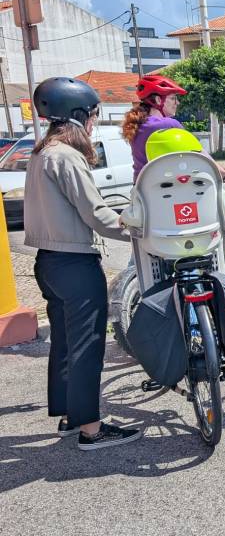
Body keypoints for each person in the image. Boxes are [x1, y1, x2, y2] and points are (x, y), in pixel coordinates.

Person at [24, 77, 140, 450]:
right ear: (78, 116)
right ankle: (91, 429)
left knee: (65, 342)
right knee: (88, 345)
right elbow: (97, 215)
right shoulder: (68, 157)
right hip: (75, 263)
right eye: (91, 115)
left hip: (48, 262)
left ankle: (69, 416)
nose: (93, 122)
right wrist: (140, 229)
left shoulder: (42, 153)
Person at [121, 74, 187, 181]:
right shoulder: (170, 124)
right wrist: (222, 172)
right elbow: (198, 153)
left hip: (140, 189)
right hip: (163, 189)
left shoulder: (137, 124)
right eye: (173, 98)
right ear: (158, 100)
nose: (177, 103)